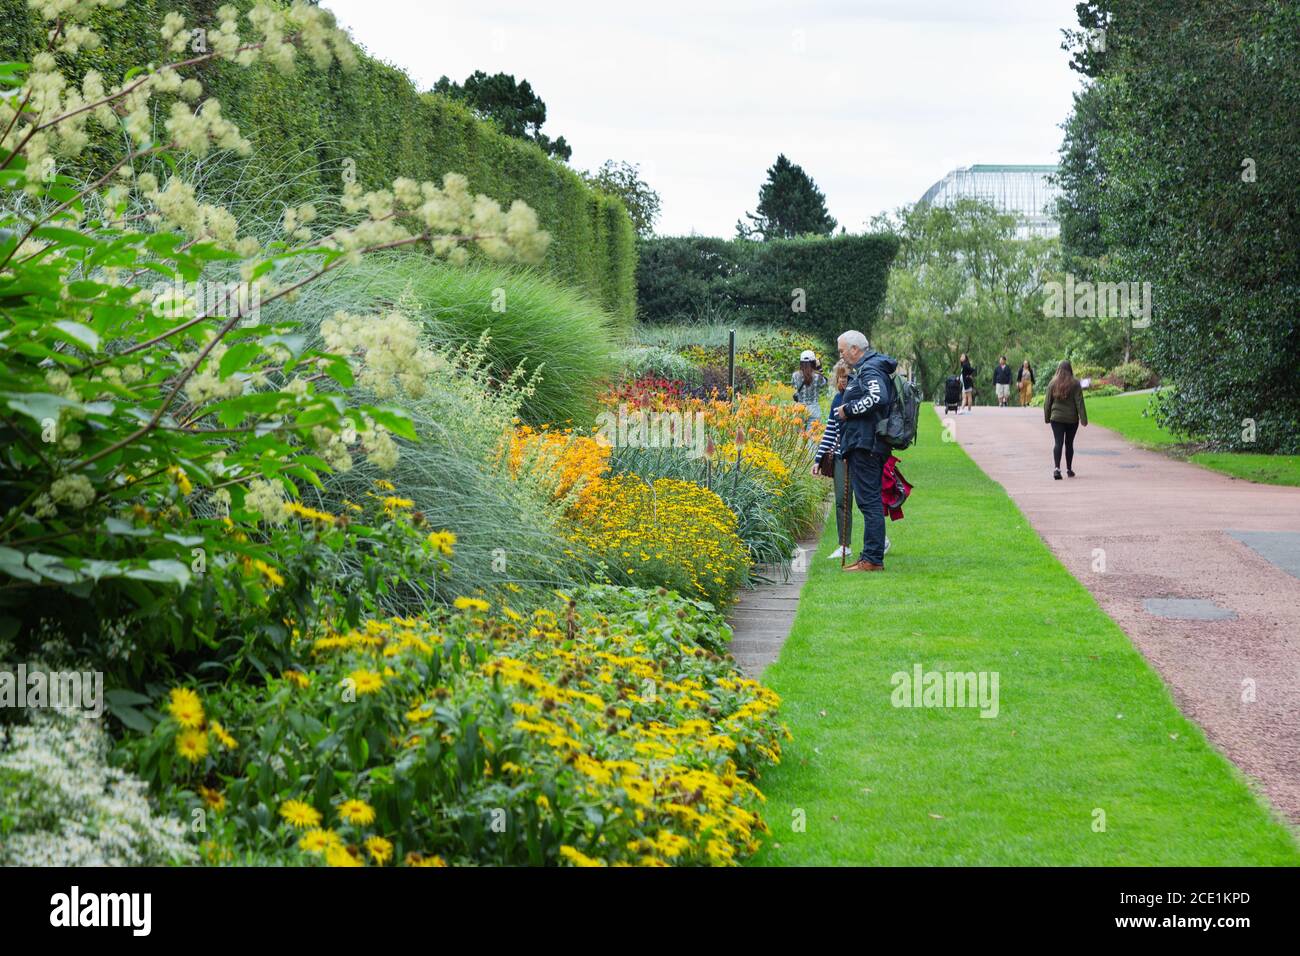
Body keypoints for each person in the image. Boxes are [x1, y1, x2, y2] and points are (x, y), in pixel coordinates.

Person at [833, 330, 896, 572]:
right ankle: (869, 556)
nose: (841, 356)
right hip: (867, 444)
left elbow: (877, 397)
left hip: (866, 445)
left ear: (854, 350)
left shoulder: (870, 369)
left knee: (869, 502)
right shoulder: (871, 367)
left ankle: (872, 559)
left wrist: (848, 410)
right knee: (869, 502)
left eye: (842, 351)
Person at [812, 361, 855, 559]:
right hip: (839, 456)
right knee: (841, 501)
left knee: (866, 501)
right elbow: (830, 431)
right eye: (841, 377)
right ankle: (844, 545)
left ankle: (880, 539)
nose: (844, 381)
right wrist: (818, 458)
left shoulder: (858, 398)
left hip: (858, 455)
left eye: (847, 377)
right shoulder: (837, 400)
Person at [1043, 360, 1088, 479]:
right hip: (1071, 420)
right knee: (1069, 444)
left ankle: (1057, 469)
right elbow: (1079, 403)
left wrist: (1047, 418)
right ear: (1070, 369)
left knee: (1058, 442)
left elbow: (1047, 403)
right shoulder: (1075, 383)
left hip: (1056, 419)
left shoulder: (1052, 383)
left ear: (1058, 369)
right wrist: (1084, 419)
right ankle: (1069, 469)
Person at [791, 350, 826, 427]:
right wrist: (820, 368)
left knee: (799, 436)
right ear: (813, 362)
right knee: (812, 437)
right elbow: (824, 383)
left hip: (799, 408)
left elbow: (794, 386)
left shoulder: (795, 375)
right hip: (814, 409)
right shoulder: (818, 376)